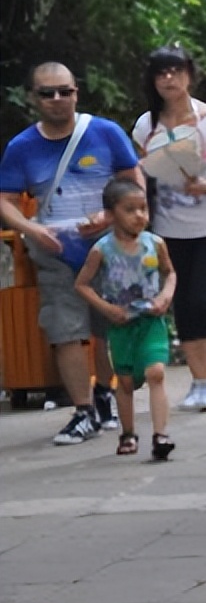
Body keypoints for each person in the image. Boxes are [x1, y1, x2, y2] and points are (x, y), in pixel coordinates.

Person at [0, 62, 142, 444]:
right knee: (65, 329)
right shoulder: (22, 147)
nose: (57, 99)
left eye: (65, 91)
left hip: (110, 248)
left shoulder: (105, 132)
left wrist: (110, 216)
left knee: (111, 328)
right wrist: (31, 229)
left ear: (77, 92)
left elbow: (134, 184)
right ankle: (83, 411)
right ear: (33, 98)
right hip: (56, 249)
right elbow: (6, 200)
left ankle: (105, 393)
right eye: (47, 93)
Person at [131, 45, 206, 412]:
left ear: (189, 75)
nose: (169, 79)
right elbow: (139, 173)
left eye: (176, 71)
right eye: (161, 73)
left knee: (202, 299)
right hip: (168, 228)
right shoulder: (146, 126)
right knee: (181, 303)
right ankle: (197, 381)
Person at [73, 179, 177, 460]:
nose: (139, 216)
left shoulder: (155, 243)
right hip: (121, 326)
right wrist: (106, 309)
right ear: (110, 214)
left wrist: (165, 296)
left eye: (143, 208)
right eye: (130, 210)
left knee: (156, 373)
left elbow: (170, 273)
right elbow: (82, 285)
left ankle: (161, 435)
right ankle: (128, 433)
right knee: (126, 382)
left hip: (151, 321)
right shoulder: (102, 250)